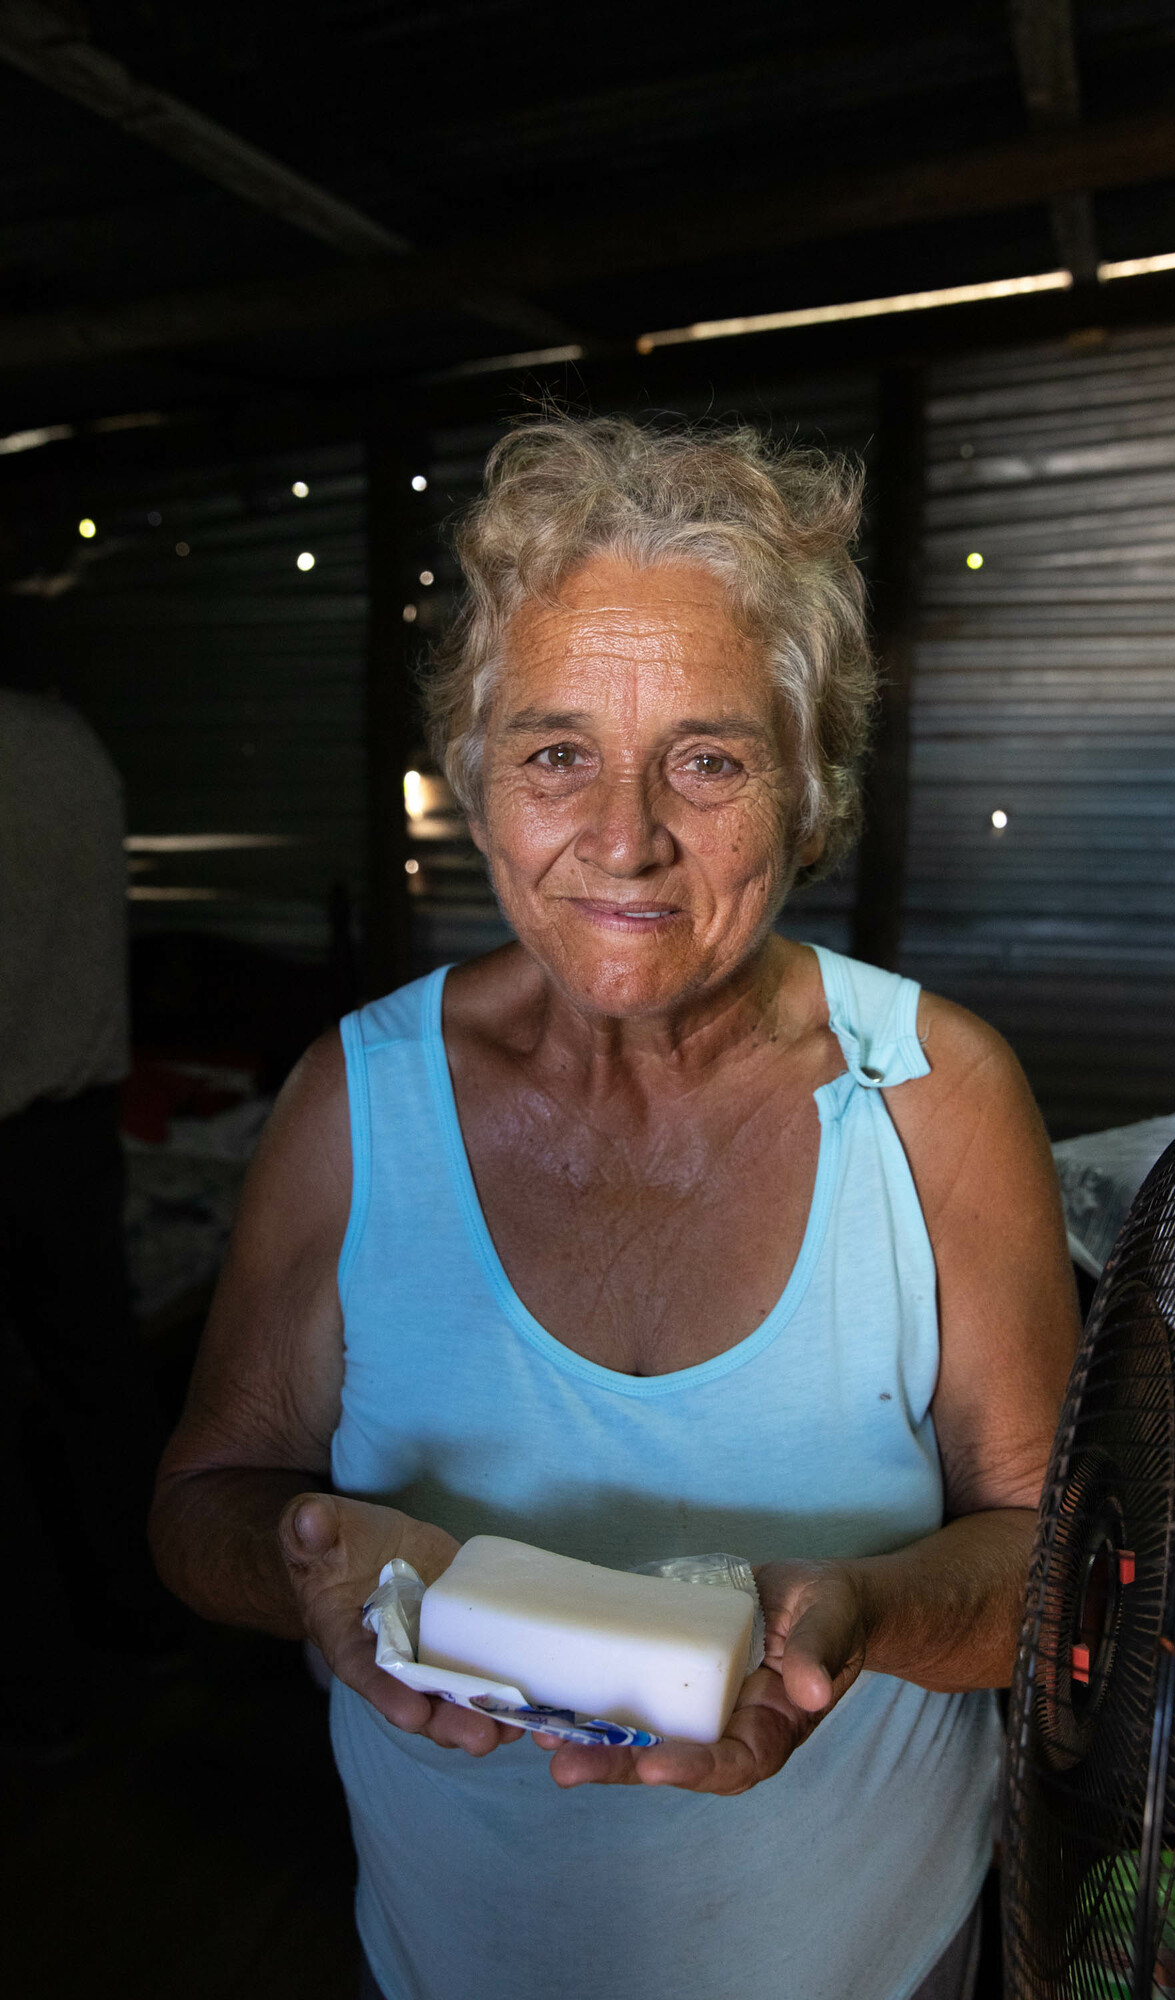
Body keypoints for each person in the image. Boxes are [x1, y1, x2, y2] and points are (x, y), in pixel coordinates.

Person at [149, 416, 1080, 2000]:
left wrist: (855, 1619)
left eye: (706, 760)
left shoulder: (934, 1099)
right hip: (459, 1956)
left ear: (805, 780)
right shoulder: (356, 1106)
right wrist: (305, 1561)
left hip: (869, 1953)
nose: (625, 838)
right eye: (557, 752)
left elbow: (1052, 1571)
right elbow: (201, 1506)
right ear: (478, 776)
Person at [0, 691, 180, 1756]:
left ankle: (35, 1690)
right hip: (70, 1128)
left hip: (36, 1113)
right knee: (100, 1379)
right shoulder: (68, 738)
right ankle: (148, 1617)